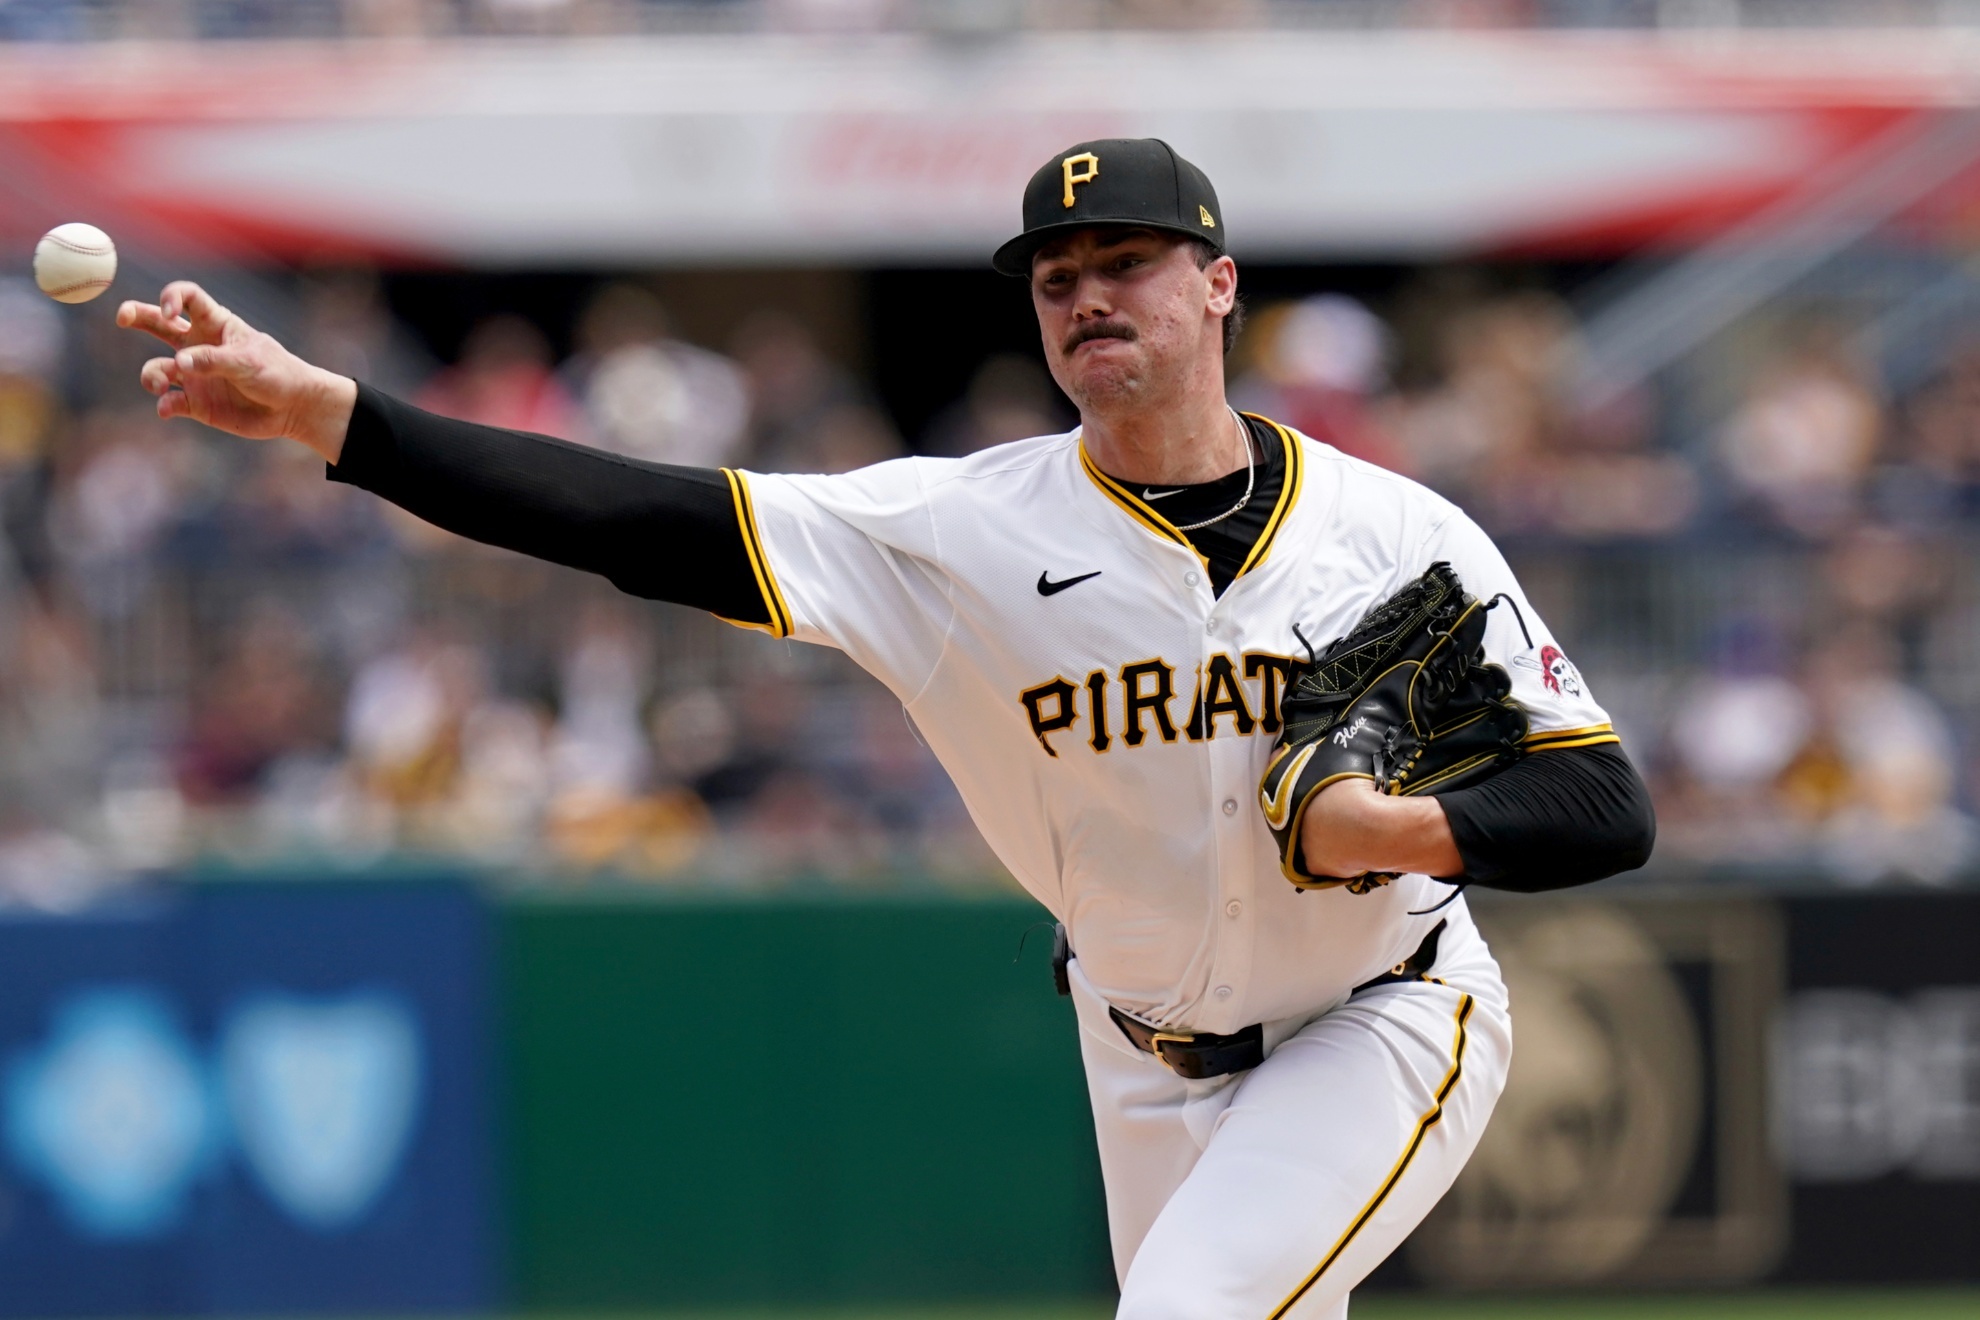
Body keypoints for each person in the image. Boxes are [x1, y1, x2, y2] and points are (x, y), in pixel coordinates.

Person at [118, 138, 1653, 1319]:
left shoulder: (1393, 538)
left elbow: (1602, 803)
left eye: (1127, 260)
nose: (1089, 298)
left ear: (1219, 283)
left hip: (1382, 1010)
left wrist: (1391, 829)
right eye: (1057, 281)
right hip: (1138, 1052)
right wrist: (337, 417)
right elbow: (633, 519)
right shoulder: (958, 533)